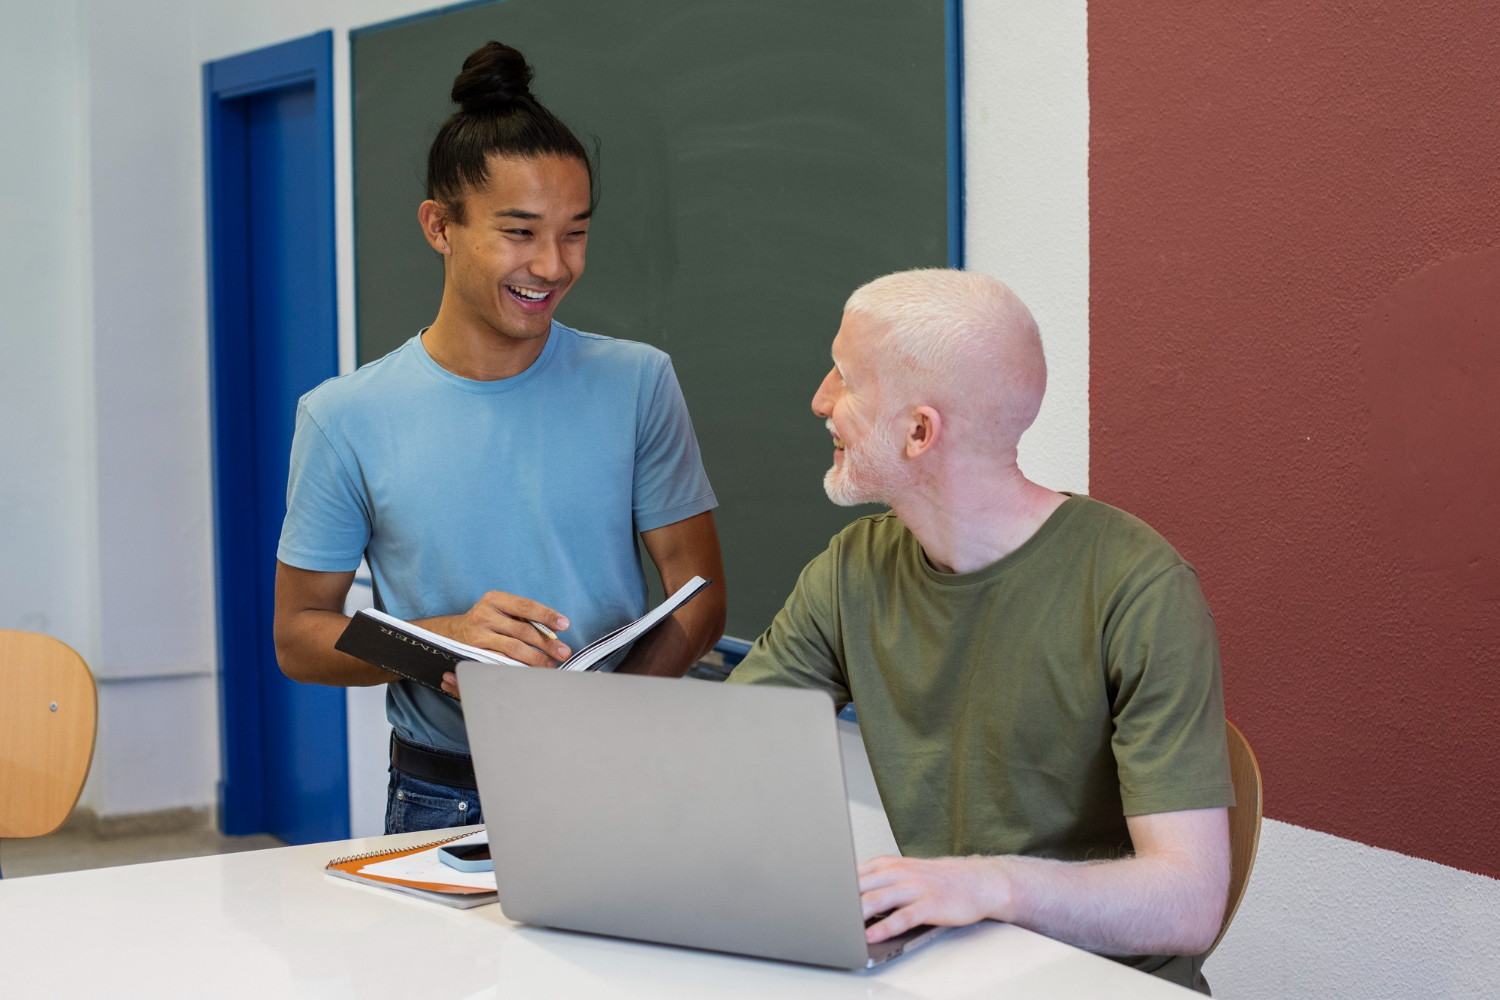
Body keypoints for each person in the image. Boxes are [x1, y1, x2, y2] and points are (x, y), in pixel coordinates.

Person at [727, 269, 1232, 993]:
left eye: (844, 379)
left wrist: (987, 885)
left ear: (919, 432)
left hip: (1100, 981)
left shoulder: (1139, 589)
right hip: (949, 972)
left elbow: (1187, 904)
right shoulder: (852, 570)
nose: (820, 401)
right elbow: (722, 753)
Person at [273, 42, 726, 835]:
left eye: (575, 233)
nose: (552, 265)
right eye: (520, 232)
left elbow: (701, 596)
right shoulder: (343, 417)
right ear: (439, 227)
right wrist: (440, 644)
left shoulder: (639, 383)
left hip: (618, 774)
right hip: (443, 796)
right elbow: (298, 638)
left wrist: (607, 716)